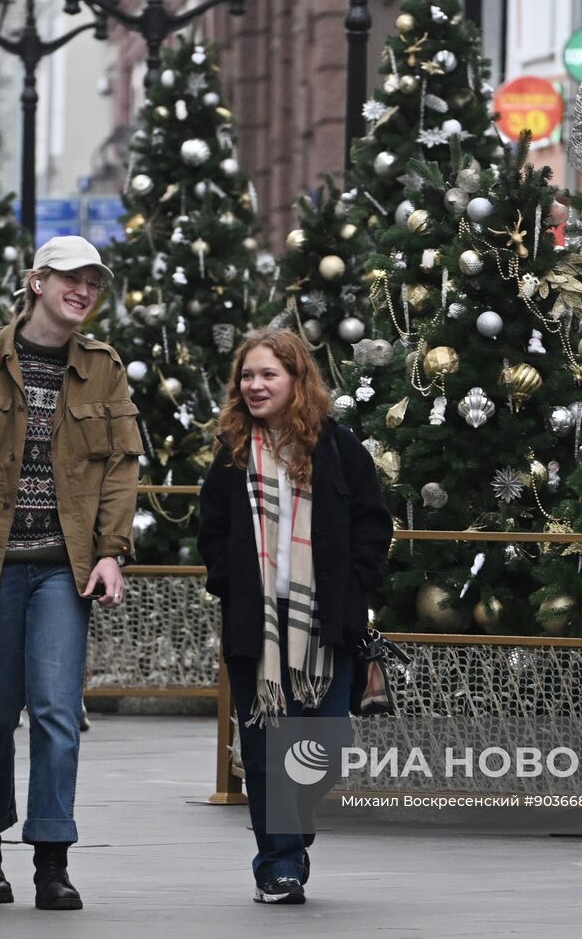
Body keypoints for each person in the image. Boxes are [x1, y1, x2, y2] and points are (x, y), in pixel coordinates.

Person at [0, 235, 140, 910]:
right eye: (71, 278)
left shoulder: (104, 368)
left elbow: (121, 468)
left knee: (56, 712)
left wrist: (110, 550)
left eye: (93, 282)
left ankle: (51, 858)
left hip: (59, 570)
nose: (84, 291)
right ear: (35, 281)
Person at [197, 327, 391, 905]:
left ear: (296, 380)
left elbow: (371, 522)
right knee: (264, 751)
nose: (254, 386)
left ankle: (293, 829)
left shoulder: (336, 446)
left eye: (267, 375)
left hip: (325, 624)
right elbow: (211, 530)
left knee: (324, 744)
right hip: (257, 628)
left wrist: (355, 584)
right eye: (247, 376)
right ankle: (279, 863)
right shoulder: (233, 453)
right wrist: (229, 583)